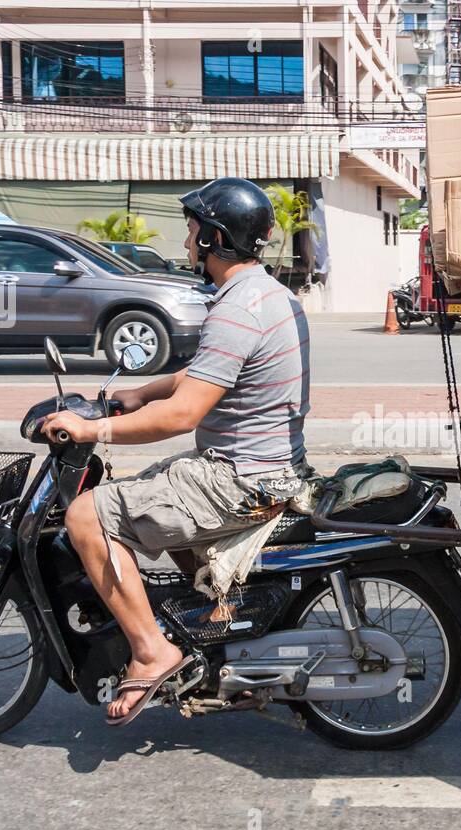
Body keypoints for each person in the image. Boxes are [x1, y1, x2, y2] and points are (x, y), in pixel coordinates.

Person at [41, 178, 312, 726]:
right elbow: (210, 371)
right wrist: (144, 390)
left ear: (215, 237)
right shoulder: (267, 293)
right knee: (147, 496)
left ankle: (152, 650)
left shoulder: (238, 307)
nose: (188, 244)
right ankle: (216, 618)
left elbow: (182, 416)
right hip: (264, 467)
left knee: (87, 516)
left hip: (239, 478)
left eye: (192, 234)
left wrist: (90, 431)